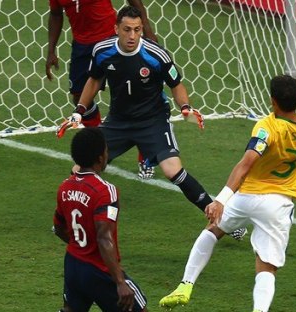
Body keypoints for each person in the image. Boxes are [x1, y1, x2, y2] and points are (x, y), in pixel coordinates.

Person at [56, 6, 247, 240]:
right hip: (118, 121)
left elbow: (176, 84)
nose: (132, 36)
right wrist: (79, 111)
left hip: (153, 121)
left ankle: (223, 220)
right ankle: (64, 222)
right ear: (116, 29)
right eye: (127, 30)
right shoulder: (102, 51)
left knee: (172, 170)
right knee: (79, 168)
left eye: (137, 30)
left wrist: (185, 107)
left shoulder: (156, 55)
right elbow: (94, 81)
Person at [159, 75, 296, 312]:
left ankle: (185, 286)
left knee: (213, 230)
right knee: (266, 267)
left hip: (246, 197)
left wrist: (221, 200)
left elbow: (245, 164)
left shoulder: (267, 128)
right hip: (278, 205)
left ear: (272, 101)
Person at [46, 0, 158, 179]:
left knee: (132, 95)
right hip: (82, 46)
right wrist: (51, 50)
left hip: (111, 40)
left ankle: (146, 155)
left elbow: (134, 1)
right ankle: (100, 142)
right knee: (79, 97)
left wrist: (148, 31)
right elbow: (56, 14)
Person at [53, 128, 148, 312]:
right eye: (106, 150)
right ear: (100, 158)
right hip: (100, 270)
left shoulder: (64, 187)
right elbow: (104, 237)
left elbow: (58, 227)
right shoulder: (105, 191)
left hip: (73, 263)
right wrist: (120, 282)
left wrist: (81, 246)